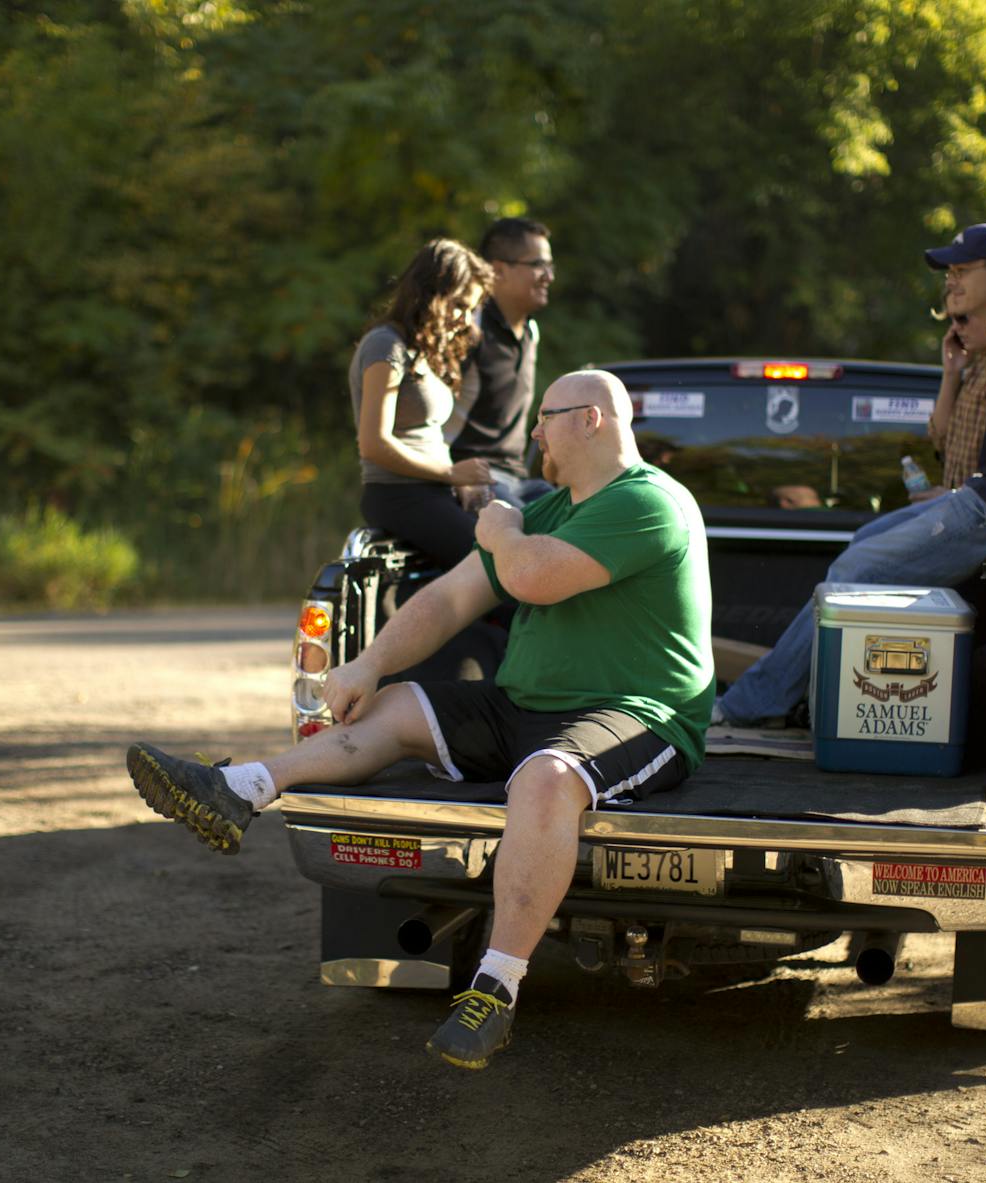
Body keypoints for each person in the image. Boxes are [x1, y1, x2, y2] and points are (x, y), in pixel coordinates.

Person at [125, 370, 714, 1070]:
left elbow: (530, 575)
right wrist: (368, 665)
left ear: (591, 419)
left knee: (546, 780)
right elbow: (448, 600)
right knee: (397, 704)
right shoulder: (552, 509)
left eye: (545, 418)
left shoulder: (649, 501)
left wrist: (499, 525)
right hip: (526, 703)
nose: (533, 434)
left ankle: (495, 987)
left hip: (632, 712)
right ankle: (239, 788)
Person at [716, 222, 986, 727]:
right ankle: (806, 699)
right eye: (949, 273)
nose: (951, 283)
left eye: (963, 271)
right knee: (863, 543)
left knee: (853, 576)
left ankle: (752, 705)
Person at [351, 238, 495, 568]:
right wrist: (451, 472)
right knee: (494, 569)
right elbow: (373, 444)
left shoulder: (423, 352)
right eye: (459, 305)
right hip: (399, 495)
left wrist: (463, 485)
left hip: (434, 492)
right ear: (429, 294)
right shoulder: (385, 346)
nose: (465, 320)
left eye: (471, 310)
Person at [447, 217, 556, 507]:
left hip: (519, 479)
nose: (549, 276)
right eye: (538, 265)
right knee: (528, 534)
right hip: (472, 476)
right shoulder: (468, 327)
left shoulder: (531, 332)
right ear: (498, 270)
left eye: (550, 266)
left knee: (580, 520)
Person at [916, 301, 986, 499]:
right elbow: (939, 438)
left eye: (962, 318)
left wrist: (954, 497)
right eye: (951, 320)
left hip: (984, 516)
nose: (955, 328)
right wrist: (951, 373)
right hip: (959, 512)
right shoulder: (974, 369)